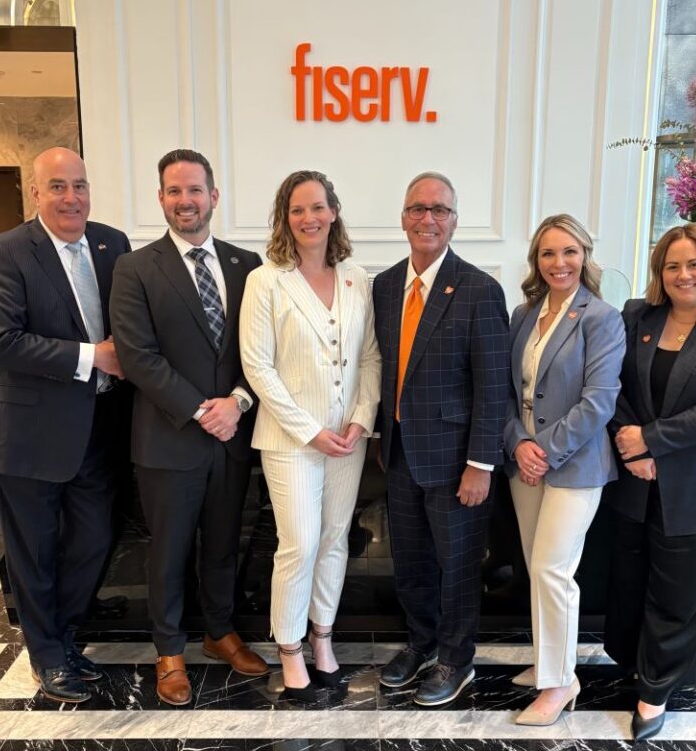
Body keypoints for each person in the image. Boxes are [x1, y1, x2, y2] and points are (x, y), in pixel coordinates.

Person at [110, 149, 268, 706]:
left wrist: (239, 403)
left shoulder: (247, 265)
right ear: (160, 199)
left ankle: (219, 631)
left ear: (214, 196)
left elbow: (259, 351)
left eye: (195, 190)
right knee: (169, 550)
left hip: (233, 437)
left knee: (224, 545)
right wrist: (205, 410)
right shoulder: (134, 267)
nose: (185, 201)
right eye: (174, 191)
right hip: (169, 438)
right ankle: (169, 650)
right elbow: (137, 354)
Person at [0, 147, 130, 703]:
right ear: (36, 194)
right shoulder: (5, 252)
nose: (72, 198)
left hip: (99, 423)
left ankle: (65, 630)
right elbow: (4, 341)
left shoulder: (111, 242)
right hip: (29, 432)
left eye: (80, 186)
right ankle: (48, 654)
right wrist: (92, 356)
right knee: (34, 549)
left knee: (94, 536)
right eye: (59, 187)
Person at [603, 223, 696, 741]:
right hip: (636, 479)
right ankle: (636, 667)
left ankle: (655, 691)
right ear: (659, 272)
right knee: (630, 582)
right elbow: (610, 383)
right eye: (672, 265)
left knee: (679, 593)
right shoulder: (634, 316)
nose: (683, 274)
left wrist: (648, 440)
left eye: (694, 264)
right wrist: (630, 446)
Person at [240, 170, 381, 702]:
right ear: (285, 217)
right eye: (298, 209)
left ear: (334, 212)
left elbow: (370, 356)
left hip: (349, 438)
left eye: (318, 207)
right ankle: (290, 648)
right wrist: (310, 431)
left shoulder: (356, 277)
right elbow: (258, 367)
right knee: (298, 543)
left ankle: (324, 636)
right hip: (289, 439)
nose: (309, 218)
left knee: (335, 538)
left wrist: (360, 419)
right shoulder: (266, 280)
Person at [373, 172, 510, 706]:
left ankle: (456, 658)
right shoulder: (384, 285)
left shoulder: (479, 288)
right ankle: (421, 644)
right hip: (401, 453)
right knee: (410, 563)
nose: (427, 219)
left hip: (458, 462)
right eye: (417, 209)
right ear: (403, 216)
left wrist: (481, 463)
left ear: (454, 220)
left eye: (440, 210)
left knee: (456, 567)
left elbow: (492, 383)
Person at [503, 214, 625, 725]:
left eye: (569, 251)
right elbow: (505, 393)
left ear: (585, 256)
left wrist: (543, 450)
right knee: (539, 568)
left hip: (575, 464)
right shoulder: (522, 315)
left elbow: (600, 402)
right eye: (549, 253)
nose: (560, 263)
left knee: (554, 570)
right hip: (524, 460)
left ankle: (559, 682)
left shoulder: (601, 317)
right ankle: (547, 661)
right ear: (537, 261)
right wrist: (518, 444)